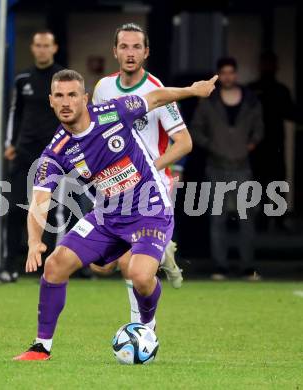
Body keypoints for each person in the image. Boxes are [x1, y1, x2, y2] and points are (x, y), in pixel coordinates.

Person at [13, 69, 217, 360]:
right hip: (108, 215)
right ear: (50, 101)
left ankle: (147, 326)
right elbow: (39, 201)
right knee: (55, 265)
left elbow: (156, 97)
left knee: (139, 275)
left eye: (72, 94)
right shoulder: (55, 152)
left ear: (85, 98)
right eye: (59, 95)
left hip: (151, 210)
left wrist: (192, 90)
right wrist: (35, 242)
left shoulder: (113, 112)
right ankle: (41, 347)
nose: (66, 102)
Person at [91, 23, 191, 322]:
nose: (130, 53)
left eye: (136, 47)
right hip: (114, 187)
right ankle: (161, 253)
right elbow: (97, 137)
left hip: (151, 189)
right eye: (124, 46)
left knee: (128, 263)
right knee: (100, 266)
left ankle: (141, 327)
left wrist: (149, 169)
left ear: (146, 52)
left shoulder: (158, 92)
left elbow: (184, 142)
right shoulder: (103, 89)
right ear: (115, 51)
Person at [0, 30, 63, 284]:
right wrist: (11, 143)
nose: (42, 49)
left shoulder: (62, 79)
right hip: (24, 152)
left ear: (54, 48)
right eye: (38, 45)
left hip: (54, 156)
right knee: (13, 209)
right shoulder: (23, 79)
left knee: (50, 212)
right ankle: (9, 268)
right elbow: (15, 112)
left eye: (46, 45)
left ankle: (49, 269)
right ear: (32, 48)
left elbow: (72, 115)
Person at [191, 57, 264, 281]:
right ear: (219, 75)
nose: (228, 76)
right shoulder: (208, 101)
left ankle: (247, 266)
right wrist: (212, 146)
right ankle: (220, 267)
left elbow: (259, 128)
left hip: (242, 167)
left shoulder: (251, 100)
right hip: (216, 166)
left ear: (236, 74)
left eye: (231, 72)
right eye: (224, 73)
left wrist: (249, 144)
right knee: (217, 219)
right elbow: (195, 129)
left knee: (246, 218)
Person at [249, 51, 302, 230]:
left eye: (271, 64)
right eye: (266, 64)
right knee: (259, 182)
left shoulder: (280, 90)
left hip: (275, 143)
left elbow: (291, 112)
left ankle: (278, 219)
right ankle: (261, 220)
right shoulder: (252, 90)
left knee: (278, 181)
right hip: (257, 144)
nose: (268, 68)